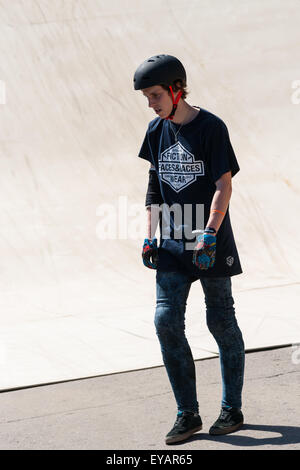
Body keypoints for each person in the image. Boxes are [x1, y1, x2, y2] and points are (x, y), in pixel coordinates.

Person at [134, 54, 245, 444]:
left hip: (210, 243)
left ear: (177, 88)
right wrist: (150, 233)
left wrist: (211, 232)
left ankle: (232, 408)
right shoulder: (155, 130)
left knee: (220, 321)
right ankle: (188, 414)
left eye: (155, 95)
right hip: (172, 245)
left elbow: (223, 184)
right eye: (147, 97)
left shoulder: (211, 128)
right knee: (165, 321)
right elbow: (154, 185)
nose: (151, 103)